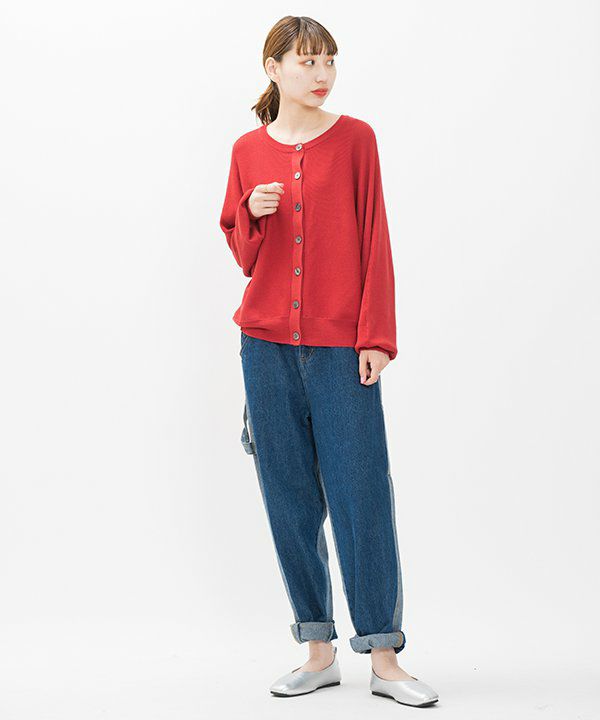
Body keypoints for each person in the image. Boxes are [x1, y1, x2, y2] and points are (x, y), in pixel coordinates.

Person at [219, 15, 439, 708]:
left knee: (361, 493)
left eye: (329, 61)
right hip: (265, 348)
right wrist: (252, 211)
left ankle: (384, 656)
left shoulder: (356, 140)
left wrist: (376, 336)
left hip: (344, 347)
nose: (322, 75)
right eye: (307, 62)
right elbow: (243, 253)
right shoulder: (247, 150)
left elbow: (375, 237)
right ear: (274, 68)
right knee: (288, 498)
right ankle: (317, 651)